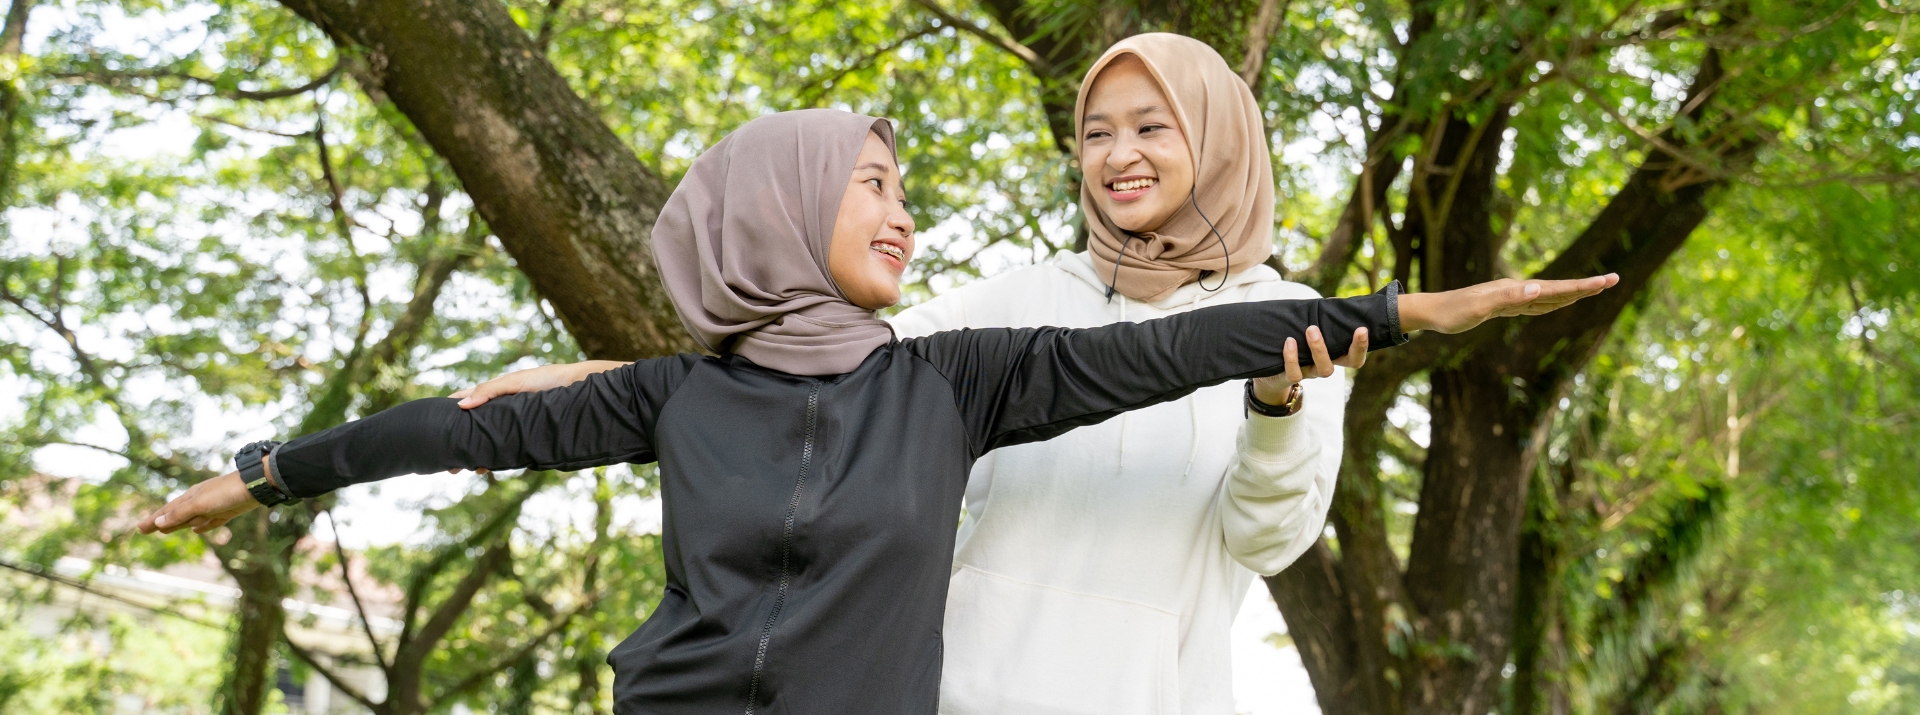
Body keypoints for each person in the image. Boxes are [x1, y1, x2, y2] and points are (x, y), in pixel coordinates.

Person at [137, 107, 1614, 714]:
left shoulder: (961, 379)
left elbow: (1196, 343)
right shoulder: (678, 398)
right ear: (781, 212)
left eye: (910, 190)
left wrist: (1416, 309)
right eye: (875, 186)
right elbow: (436, 430)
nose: (905, 218)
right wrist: (261, 473)